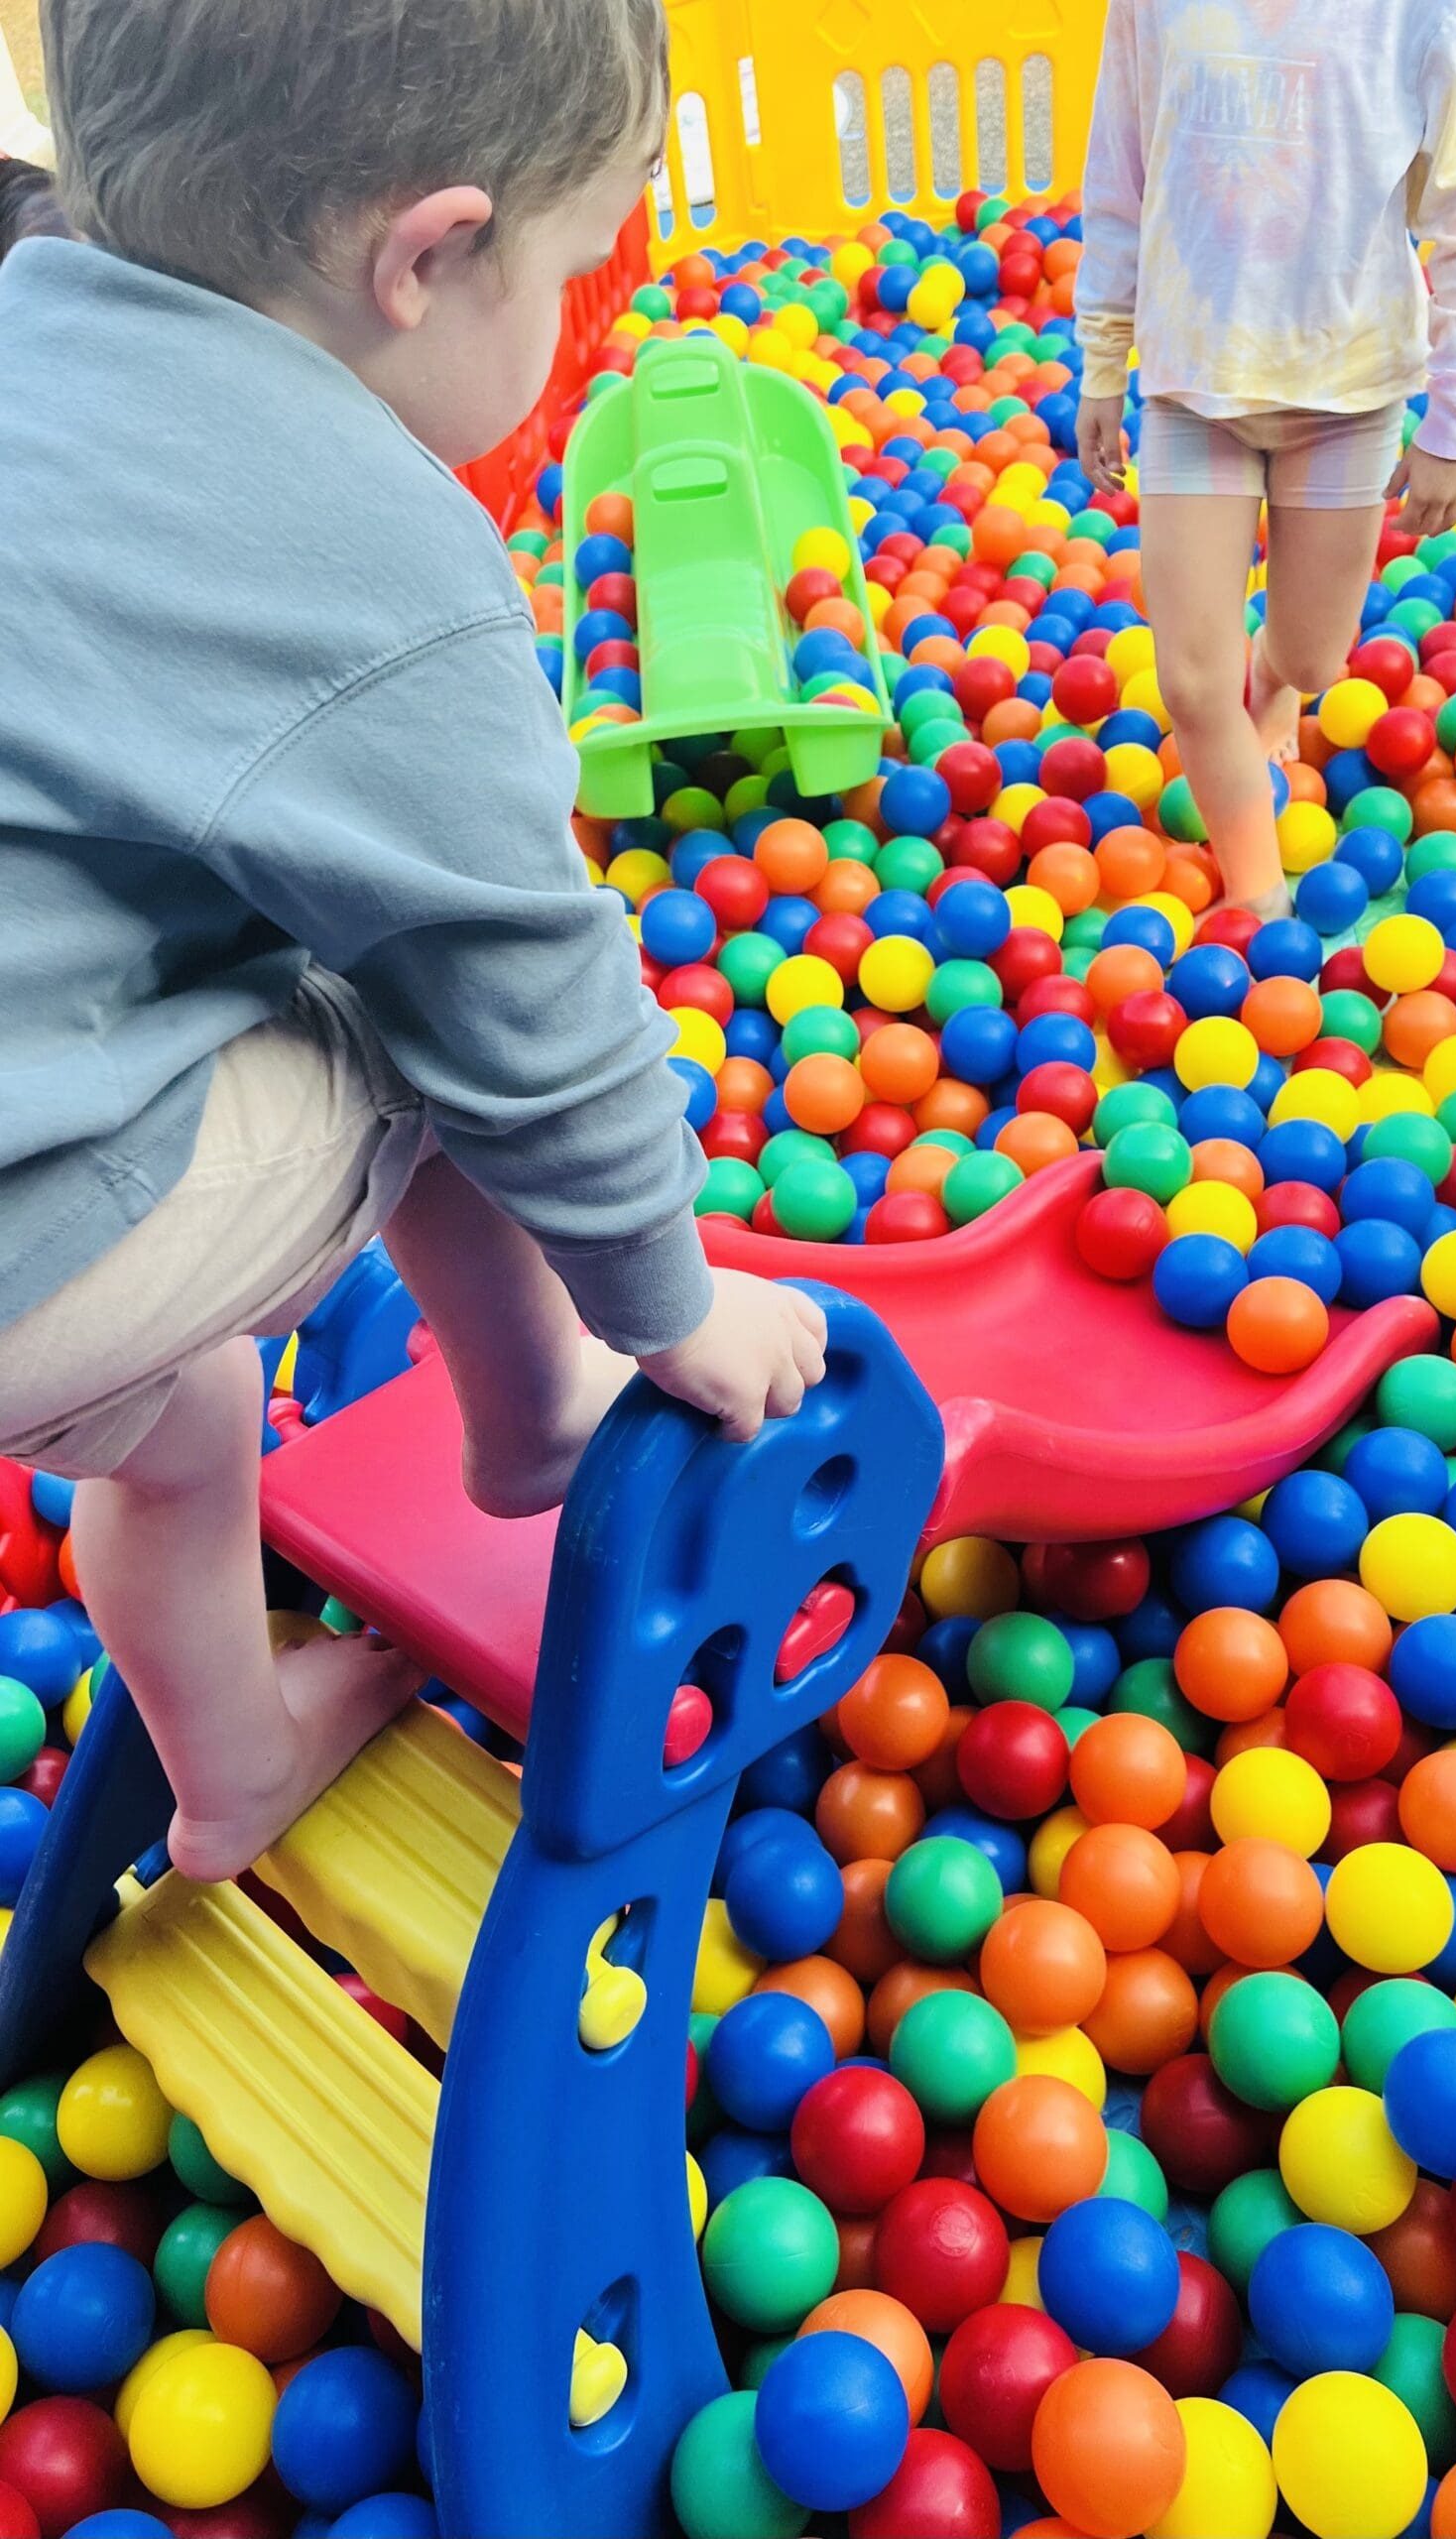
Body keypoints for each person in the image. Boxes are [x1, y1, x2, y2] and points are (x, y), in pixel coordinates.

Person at [0, 0, 826, 1884]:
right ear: (433, 256)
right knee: (408, 989)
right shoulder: (373, 560)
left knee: (185, 1416)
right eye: (573, 258)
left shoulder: (27, 330)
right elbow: (524, 989)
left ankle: (233, 1774)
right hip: (33, 1213)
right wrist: (669, 1299)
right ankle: (538, 1414)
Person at [1075, 0, 1456, 917]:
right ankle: (1257, 896)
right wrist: (1102, 355)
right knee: (1194, 684)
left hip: (1344, 393)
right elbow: (1119, 176)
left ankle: (1277, 678)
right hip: (1193, 386)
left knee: (1316, 659)